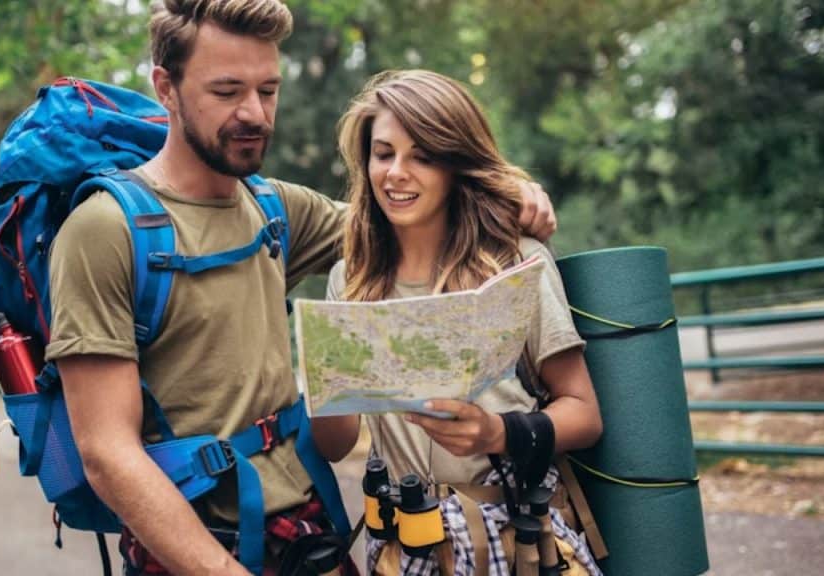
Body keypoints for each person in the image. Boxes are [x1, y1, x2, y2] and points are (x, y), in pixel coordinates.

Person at [47, 2, 557, 575]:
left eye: (268, 90)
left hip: (308, 531)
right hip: (194, 544)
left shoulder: (276, 209)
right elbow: (106, 452)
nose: (254, 113)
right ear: (166, 87)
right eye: (227, 91)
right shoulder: (103, 230)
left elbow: (408, 213)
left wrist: (509, 191)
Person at [311, 70, 604, 576]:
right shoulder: (350, 280)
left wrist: (496, 433)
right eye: (383, 154)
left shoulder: (515, 260)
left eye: (422, 157)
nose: (396, 173)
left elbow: (585, 415)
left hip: (514, 539)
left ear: (455, 165)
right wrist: (327, 378)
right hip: (404, 547)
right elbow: (335, 445)